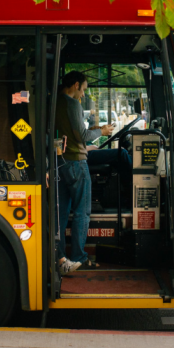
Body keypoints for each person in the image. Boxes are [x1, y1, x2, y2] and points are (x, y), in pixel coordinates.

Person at [55, 71, 114, 274]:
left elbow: (69, 133)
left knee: (61, 214)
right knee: (82, 212)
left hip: (59, 163)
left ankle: (60, 256)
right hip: (76, 164)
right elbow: (81, 136)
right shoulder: (72, 104)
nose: (82, 95)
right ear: (76, 84)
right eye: (83, 90)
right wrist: (102, 132)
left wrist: (94, 129)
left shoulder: (54, 102)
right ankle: (79, 257)